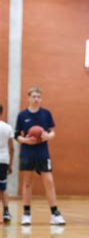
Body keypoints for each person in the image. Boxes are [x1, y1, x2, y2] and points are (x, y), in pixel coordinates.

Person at [14, 87, 66, 226]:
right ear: (29, 98)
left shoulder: (46, 114)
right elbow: (16, 135)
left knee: (49, 182)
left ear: (40, 99)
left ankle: (55, 214)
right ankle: (26, 214)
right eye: (34, 96)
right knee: (27, 182)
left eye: (38, 96)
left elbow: (53, 132)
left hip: (42, 153)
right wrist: (25, 140)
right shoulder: (22, 115)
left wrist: (48, 136)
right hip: (27, 152)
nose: (36, 99)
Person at [0, 105, 14, 223]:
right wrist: (10, 165)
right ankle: (6, 212)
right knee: (3, 187)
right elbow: (12, 148)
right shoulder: (8, 127)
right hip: (4, 160)